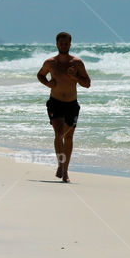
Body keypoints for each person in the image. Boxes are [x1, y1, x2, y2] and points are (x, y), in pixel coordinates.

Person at [36, 31, 91, 183]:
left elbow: (87, 83)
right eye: (61, 43)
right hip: (55, 102)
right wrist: (47, 83)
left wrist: (75, 77)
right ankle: (61, 166)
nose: (64, 45)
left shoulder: (77, 63)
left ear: (70, 44)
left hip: (72, 104)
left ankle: (65, 170)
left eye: (66, 43)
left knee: (69, 136)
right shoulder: (50, 63)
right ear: (57, 44)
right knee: (59, 133)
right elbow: (40, 75)